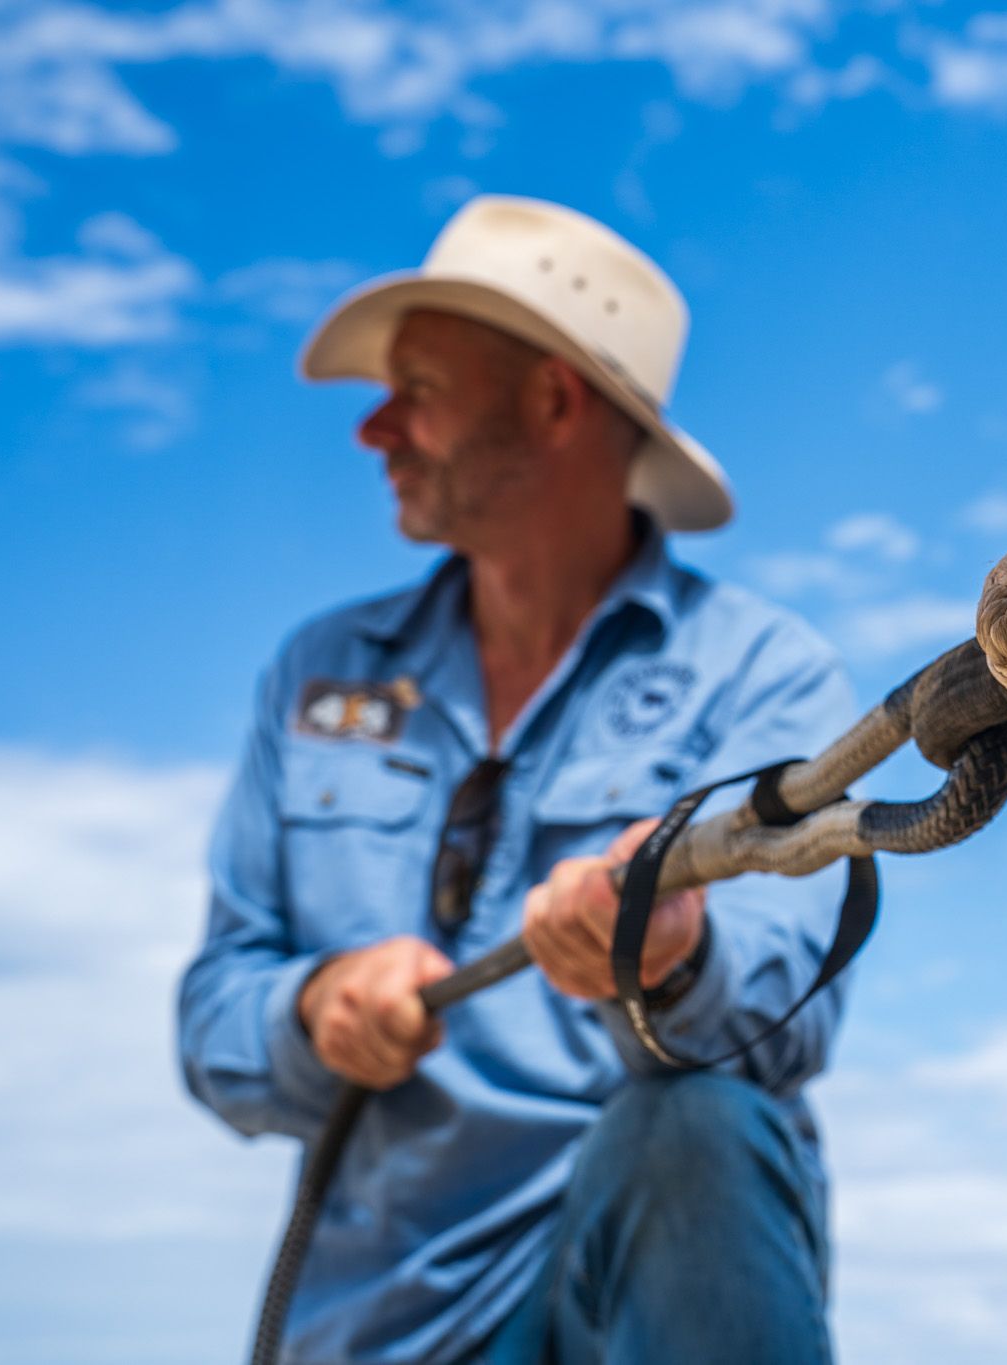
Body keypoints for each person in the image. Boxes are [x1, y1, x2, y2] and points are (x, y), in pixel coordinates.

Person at [178, 195, 856, 1364]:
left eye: (419, 393)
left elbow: (782, 1019)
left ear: (552, 403)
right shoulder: (315, 673)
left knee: (693, 1122)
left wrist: (671, 957)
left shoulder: (761, 675)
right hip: (373, 1329)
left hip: (627, 1306)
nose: (373, 431)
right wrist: (312, 1008)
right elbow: (214, 1017)